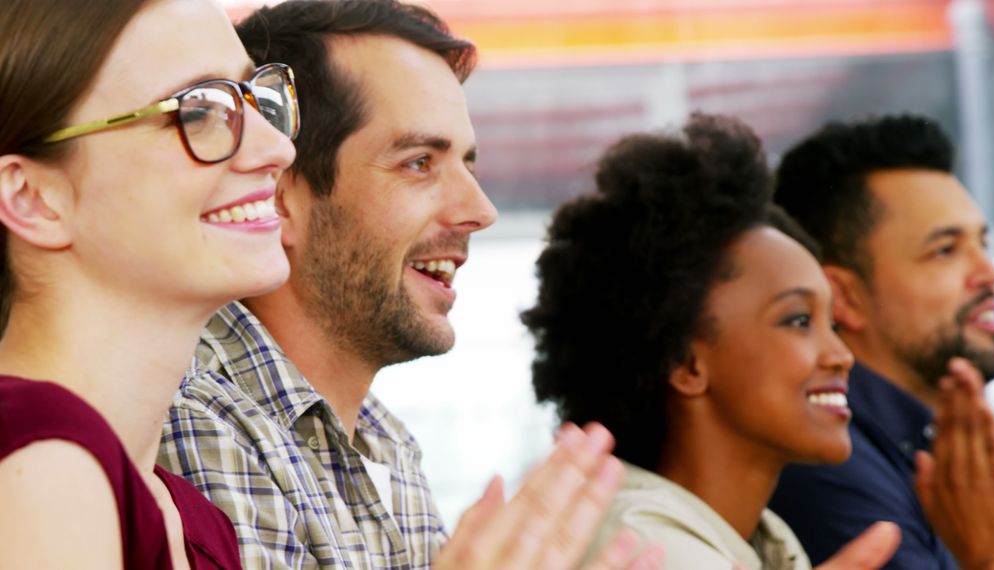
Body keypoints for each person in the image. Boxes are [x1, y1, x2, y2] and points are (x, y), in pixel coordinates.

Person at [157, 1, 663, 569]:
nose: (480, 209)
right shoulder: (195, 419)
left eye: (468, 165)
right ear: (277, 193)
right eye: (419, 163)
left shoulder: (387, 444)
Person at [520, 112, 907, 569]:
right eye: (800, 320)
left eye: (833, 325)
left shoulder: (758, 541)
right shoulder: (648, 551)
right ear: (686, 363)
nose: (842, 356)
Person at [0, 0, 301, 567]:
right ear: (31, 198)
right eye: (200, 109)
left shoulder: (194, 516)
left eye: (254, 99)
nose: (277, 149)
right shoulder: (38, 459)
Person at [769, 114, 994, 569]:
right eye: (945, 250)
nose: (988, 272)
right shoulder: (829, 460)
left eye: (982, 242)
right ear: (843, 297)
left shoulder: (918, 445)